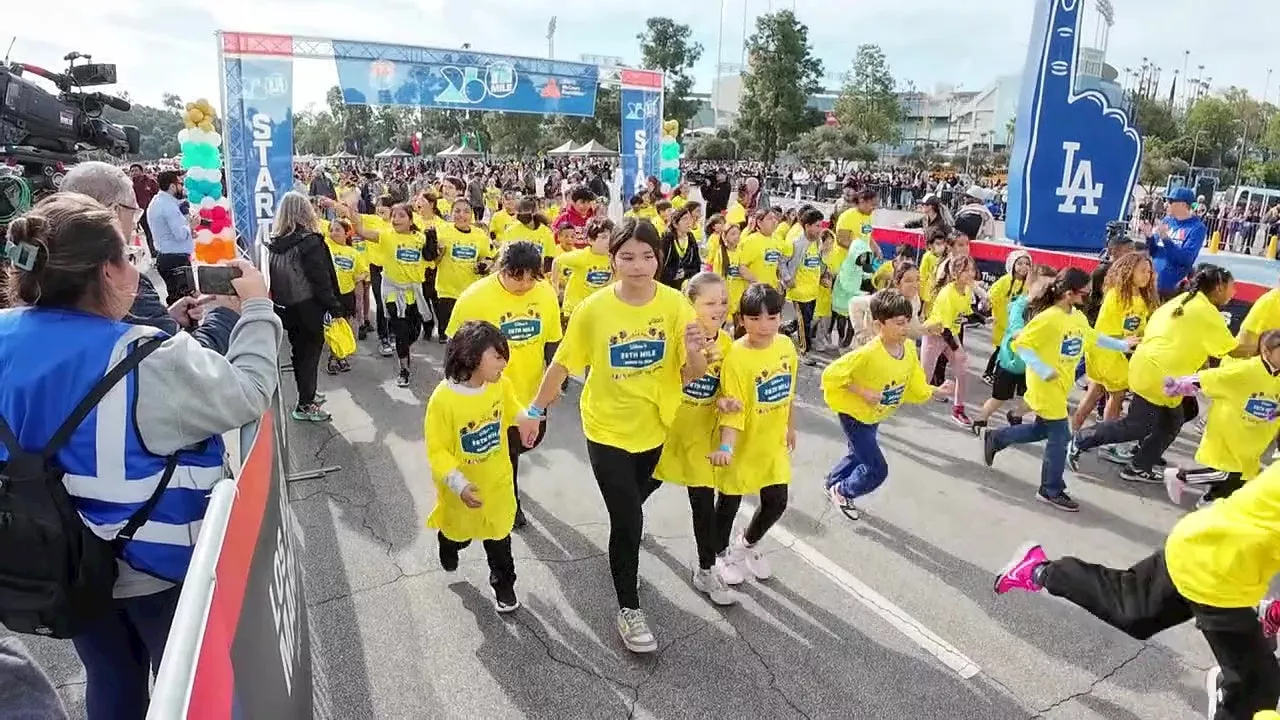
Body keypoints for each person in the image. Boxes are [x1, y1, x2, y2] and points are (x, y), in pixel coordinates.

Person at [0, 192, 280, 720]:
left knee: (109, 680)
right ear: (106, 271)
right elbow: (247, 392)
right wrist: (259, 307)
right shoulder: (144, 355)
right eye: (129, 256)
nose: (136, 267)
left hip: (56, 563)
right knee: (199, 688)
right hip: (154, 568)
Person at [517, 217, 706, 654]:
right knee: (628, 520)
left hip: (655, 424)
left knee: (634, 504)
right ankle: (629, 609)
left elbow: (691, 373)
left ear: (659, 258)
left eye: (647, 256)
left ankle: (624, 554)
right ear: (612, 258)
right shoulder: (594, 309)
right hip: (606, 427)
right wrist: (534, 410)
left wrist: (696, 352)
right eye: (627, 256)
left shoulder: (677, 306)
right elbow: (562, 365)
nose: (638, 266)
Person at [993, 461, 1280, 720]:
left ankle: (1038, 570)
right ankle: (1231, 688)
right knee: (1257, 693)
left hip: (1203, 544)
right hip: (1216, 572)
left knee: (1134, 613)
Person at [982, 268, 1135, 511]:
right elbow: (1020, 344)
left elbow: (1092, 336)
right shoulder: (1048, 318)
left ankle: (998, 437)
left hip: (1060, 384)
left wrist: (1121, 344)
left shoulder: (1077, 316)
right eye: (1084, 292)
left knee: (1042, 429)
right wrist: (1043, 370)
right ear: (1068, 293)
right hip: (1045, 386)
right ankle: (1050, 489)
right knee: (1060, 436)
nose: (1088, 297)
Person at [1069, 265, 1238, 483]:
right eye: (1231, 287)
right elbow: (1232, 348)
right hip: (1158, 376)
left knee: (1172, 421)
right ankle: (1081, 440)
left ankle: (1139, 464)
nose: (1233, 293)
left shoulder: (1184, 300)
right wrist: (1264, 343)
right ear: (1218, 287)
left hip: (1154, 371)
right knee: (1138, 426)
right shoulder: (1205, 312)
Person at [60, 161, 238, 350]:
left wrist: (164, 319)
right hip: (175, 258)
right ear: (114, 212)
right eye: (133, 213)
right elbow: (184, 362)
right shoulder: (118, 278)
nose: (134, 225)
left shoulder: (50, 271)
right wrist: (227, 313)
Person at [446, 241, 562, 529]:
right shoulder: (475, 298)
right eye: (516, 276)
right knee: (505, 452)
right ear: (502, 268)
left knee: (527, 442)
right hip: (491, 394)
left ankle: (499, 479)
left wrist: (555, 379)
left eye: (531, 277)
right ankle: (510, 503)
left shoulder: (545, 294)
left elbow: (552, 341)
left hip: (532, 393)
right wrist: (457, 392)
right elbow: (454, 346)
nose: (524, 284)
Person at [822, 289, 952, 519]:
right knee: (876, 469)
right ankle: (842, 490)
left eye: (907, 322)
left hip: (875, 415)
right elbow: (831, 376)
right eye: (899, 323)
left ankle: (832, 480)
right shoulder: (867, 353)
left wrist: (934, 391)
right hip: (855, 415)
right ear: (878, 325)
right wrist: (862, 392)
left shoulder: (909, 349)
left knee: (858, 452)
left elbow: (915, 383)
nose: (905, 329)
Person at [426, 321, 526, 612]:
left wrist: (527, 419)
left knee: (499, 537)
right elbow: (438, 450)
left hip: (496, 482)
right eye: (497, 356)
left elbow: (513, 407)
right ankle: (449, 542)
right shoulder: (443, 401)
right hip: (461, 491)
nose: (504, 362)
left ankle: (504, 587)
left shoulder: (499, 386)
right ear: (471, 357)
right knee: (461, 533)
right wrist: (459, 484)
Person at [653, 272, 739, 606]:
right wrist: (693, 351)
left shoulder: (728, 343)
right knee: (643, 488)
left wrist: (724, 402)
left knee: (702, 504)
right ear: (690, 304)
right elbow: (678, 380)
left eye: (722, 302)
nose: (719, 308)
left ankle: (706, 569)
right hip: (669, 430)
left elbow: (720, 387)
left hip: (702, 437)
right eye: (709, 302)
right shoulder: (676, 338)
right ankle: (627, 530)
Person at [707, 283, 797, 585]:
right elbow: (731, 409)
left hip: (772, 443)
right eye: (755, 318)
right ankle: (720, 555)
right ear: (742, 319)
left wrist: (790, 425)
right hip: (742, 443)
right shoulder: (735, 357)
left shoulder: (785, 346)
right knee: (729, 502)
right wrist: (727, 449)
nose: (764, 326)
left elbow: (789, 391)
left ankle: (745, 544)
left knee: (777, 501)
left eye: (772, 318)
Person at [1163, 329, 1280, 506]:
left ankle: (1210, 499)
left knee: (1242, 478)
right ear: (1266, 351)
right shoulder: (1246, 370)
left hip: (1254, 437)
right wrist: (1181, 384)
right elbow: (1213, 377)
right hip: (1230, 432)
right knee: (1230, 473)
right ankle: (1180, 476)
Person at [266, 191, 343, 421]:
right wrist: (335, 306)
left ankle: (307, 394)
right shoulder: (310, 242)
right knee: (309, 355)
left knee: (299, 353)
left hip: (285, 307)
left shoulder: (274, 243)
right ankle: (305, 404)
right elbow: (321, 279)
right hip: (309, 306)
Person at [1071, 252, 1158, 434]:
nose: (1146, 275)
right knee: (1116, 395)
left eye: (1149, 272)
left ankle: (1074, 433)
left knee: (1095, 392)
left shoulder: (1141, 298)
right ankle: (1104, 438)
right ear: (1128, 271)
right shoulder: (1116, 296)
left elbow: (1138, 327)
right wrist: (1126, 341)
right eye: (1142, 271)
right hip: (1108, 349)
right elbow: (1106, 329)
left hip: (1117, 349)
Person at [970, 265, 1058, 434]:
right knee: (999, 398)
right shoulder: (1019, 305)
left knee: (1035, 397)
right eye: (1045, 286)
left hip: (1031, 365)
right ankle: (980, 419)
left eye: (1052, 287)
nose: (1049, 291)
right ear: (1031, 285)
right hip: (1010, 362)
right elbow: (1018, 331)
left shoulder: (1050, 308)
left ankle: (1016, 414)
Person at [922, 256, 979, 427]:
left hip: (950, 335)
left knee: (962, 370)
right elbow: (944, 327)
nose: (971, 274)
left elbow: (966, 313)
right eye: (966, 270)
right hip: (935, 334)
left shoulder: (967, 290)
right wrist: (958, 349)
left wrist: (984, 317)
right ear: (955, 273)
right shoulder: (947, 293)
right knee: (922, 379)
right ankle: (890, 392)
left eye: (972, 270)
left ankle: (958, 410)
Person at [145, 169, 198, 305]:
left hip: (167, 257)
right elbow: (180, 235)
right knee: (186, 303)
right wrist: (191, 226)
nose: (182, 187)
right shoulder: (168, 206)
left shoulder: (158, 201)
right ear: (172, 186)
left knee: (177, 301)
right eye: (180, 184)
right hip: (176, 259)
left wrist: (188, 232)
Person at [1148, 187, 1208, 302]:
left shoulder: (1197, 228)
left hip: (1171, 290)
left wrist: (1166, 239)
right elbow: (1153, 252)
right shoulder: (1167, 221)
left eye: (1170, 201)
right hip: (1151, 285)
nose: (1167, 204)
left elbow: (1185, 259)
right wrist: (1149, 237)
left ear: (1182, 204)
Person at [983, 250, 1031, 385]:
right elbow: (990, 296)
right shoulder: (1004, 281)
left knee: (1011, 349)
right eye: (1020, 263)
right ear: (1012, 264)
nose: (1024, 267)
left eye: (1027, 264)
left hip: (1016, 325)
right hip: (1002, 323)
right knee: (1000, 349)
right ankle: (988, 372)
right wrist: (987, 305)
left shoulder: (1028, 283)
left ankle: (1009, 376)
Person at [659, 206, 701, 289]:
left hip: (687, 285)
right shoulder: (667, 240)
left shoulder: (691, 238)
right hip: (668, 286)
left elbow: (696, 265)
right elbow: (660, 266)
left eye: (690, 218)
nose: (689, 222)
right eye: (685, 219)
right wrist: (674, 274)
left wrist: (685, 273)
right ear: (675, 224)